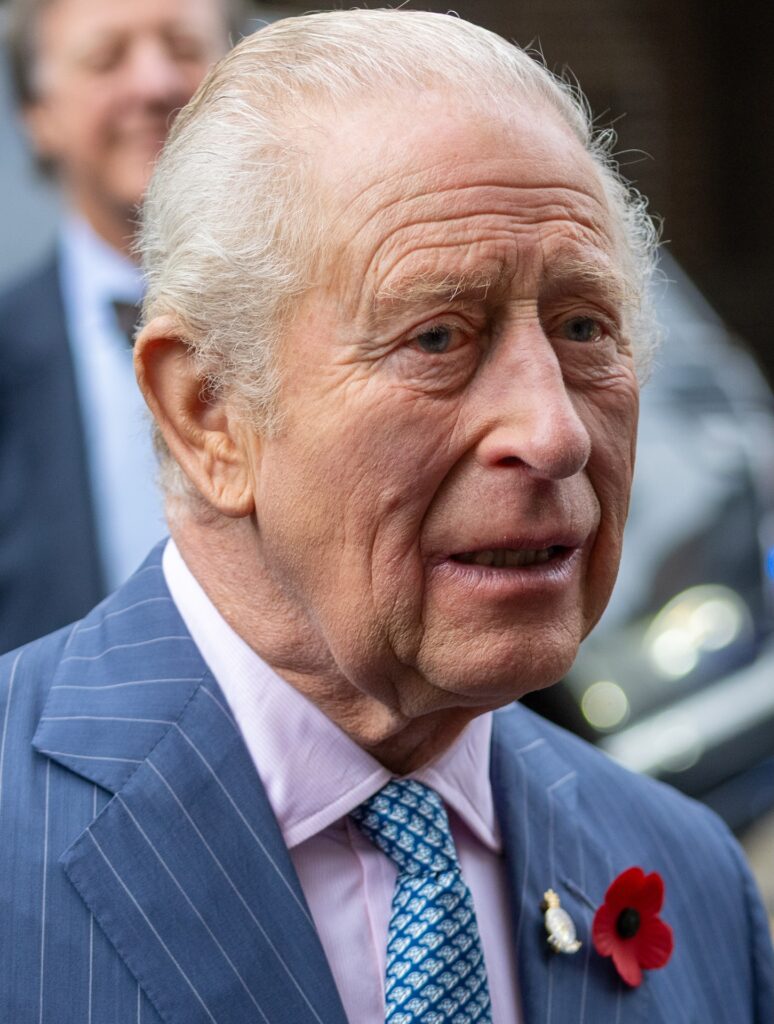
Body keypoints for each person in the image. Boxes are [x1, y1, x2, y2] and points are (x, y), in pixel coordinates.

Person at [1, 10, 772, 1023]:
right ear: (209, 411)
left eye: (585, 326)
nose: (553, 434)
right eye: (438, 337)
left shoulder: (694, 878)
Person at [0, 0, 238, 653]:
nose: (154, 84)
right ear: (38, 115)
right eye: (107, 59)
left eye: (184, 48)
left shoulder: (349, 322)